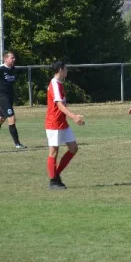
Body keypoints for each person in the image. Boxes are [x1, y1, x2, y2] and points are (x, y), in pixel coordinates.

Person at [45, 61, 85, 190]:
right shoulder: (55, 85)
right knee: (53, 152)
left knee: (73, 148)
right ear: (61, 70)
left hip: (62, 122)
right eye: (66, 69)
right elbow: (59, 105)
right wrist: (73, 116)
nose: (67, 72)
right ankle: (53, 181)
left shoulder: (60, 84)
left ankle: (56, 175)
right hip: (54, 123)